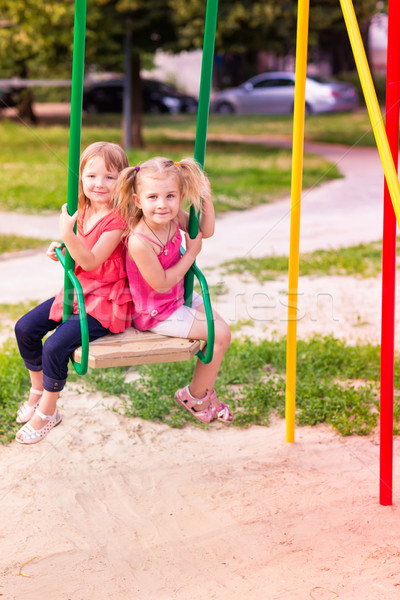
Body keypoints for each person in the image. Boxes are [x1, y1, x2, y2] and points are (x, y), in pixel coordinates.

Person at [14, 141, 132, 444]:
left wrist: (67, 234)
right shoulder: (82, 212)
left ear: (123, 179)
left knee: (55, 346)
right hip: (78, 292)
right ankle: (38, 391)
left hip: (106, 301)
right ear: (80, 177)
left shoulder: (117, 220)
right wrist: (63, 249)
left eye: (109, 176)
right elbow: (80, 253)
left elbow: (92, 260)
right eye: (91, 176)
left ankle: (48, 412)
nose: (99, 184)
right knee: (25, 328)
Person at [115, 156, 233, 424]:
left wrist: (205, 197)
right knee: (221, 335)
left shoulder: (172, 218)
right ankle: (195, 396)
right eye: (153, 197)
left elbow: (206, 229)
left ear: (180, 197)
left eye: (170, 196)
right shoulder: (139, 240)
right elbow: (161, 282)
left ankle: (199, 393)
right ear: (137, 201)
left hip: (180, 296)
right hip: (158, 312)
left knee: (221, 335)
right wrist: (191, 252)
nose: (161, 204)